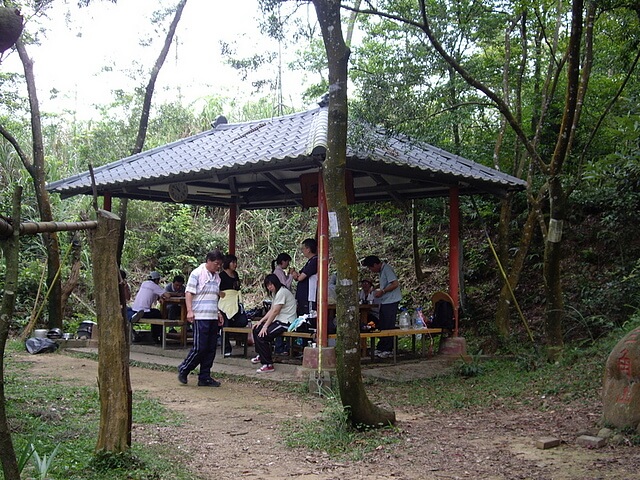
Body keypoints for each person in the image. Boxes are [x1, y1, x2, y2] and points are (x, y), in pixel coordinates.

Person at [177, 249, 224, 387]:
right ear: (208, 261)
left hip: (212, 316)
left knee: (211, 348)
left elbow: (215, 297)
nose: (218, 266)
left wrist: (218, 312)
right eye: (216, 263)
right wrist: (190, 311)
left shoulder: (217, 277)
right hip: (200, 316)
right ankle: (184, 368)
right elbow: (189, 293)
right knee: (199, 347)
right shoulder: (197, 273)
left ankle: (204, 376)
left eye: (220, 264)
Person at [250, 274, 297, 373]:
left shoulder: (282, 292)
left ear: (276, 283)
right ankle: (261, 355)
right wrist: (261, 322)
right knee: (256, 329)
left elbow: (276, 311)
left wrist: (266, 326)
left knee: (263, 336)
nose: (269, 287)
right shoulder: (276, 293)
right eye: (267, 285)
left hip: (286, 322)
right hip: (279, 320)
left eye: (271, 285)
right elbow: (271, 310)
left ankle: (268, 364)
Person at [361, 255, 401, 358]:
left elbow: (395, 283)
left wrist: (382, 291)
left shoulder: (386, 269)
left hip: (391, 301)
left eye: (370, 268)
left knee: (388, 325)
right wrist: (376, 288)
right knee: (383, 324)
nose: (371, 270)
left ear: (375, 264)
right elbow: (386, 283)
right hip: (386, 301)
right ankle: (382, 347)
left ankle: (388, 349)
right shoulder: (381, 271)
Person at [218, 254, 248, 357]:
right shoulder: (221, 276)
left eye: (236, 262)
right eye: (233, 262)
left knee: (243, 320)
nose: (235, 264)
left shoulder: (235, 274)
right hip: (225, 302)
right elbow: (217, 289)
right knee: (225, 324)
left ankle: (235, 336)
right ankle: (226, 348)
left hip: (236, 301)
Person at [131, 271, 172, 343]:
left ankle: (155, 336)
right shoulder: (155, 286)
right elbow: (167, 295)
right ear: (156, 280)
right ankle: (157, 336)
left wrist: (160, 297)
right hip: (144, 312)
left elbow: (152, 294)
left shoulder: (144, 283)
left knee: (155, 313)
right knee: (157, 314)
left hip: (135, 310)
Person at [291, 238, 318, 317]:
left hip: (309, 295)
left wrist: (294, 273)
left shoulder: (314, 261)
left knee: (308, 316)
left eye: (303, 248)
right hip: (303, 296)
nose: (302, 251)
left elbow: (300, 277)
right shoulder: (309, 261)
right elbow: (299, 275)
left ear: (308, 249)